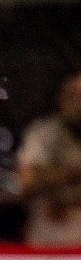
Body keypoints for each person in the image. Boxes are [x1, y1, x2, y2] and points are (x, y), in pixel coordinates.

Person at [16, 72, 81, 248]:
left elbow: (42, 176)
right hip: (49, 244)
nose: (77, 103)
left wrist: (56, 180)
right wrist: (72, 177)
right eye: (71, 95)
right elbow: (28, 180)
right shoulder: (43, 132)